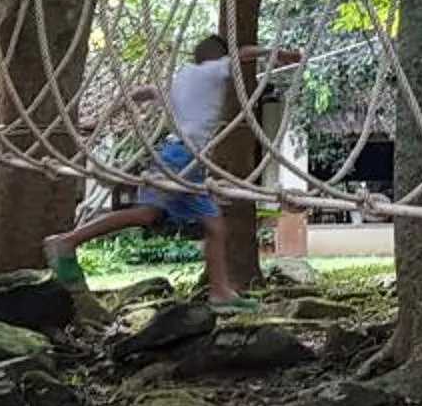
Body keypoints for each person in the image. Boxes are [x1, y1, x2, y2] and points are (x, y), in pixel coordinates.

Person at [45, 32, 302, 306]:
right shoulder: (211, 71)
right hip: (182, 159)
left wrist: (110, 111)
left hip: (186, 159)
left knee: (212, 225)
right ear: (218, 56)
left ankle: (220, 292)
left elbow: (146, 92)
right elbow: (243, 55)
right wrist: (278, 54)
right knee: (149, 214)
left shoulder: (183, 78)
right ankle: (68, 241)